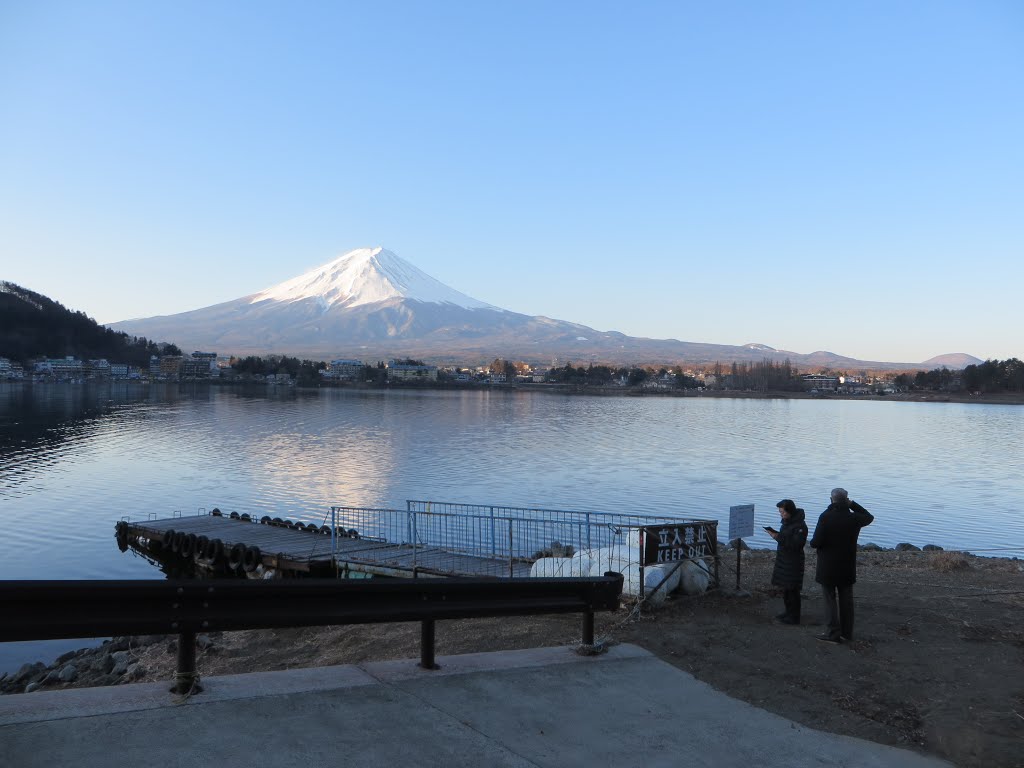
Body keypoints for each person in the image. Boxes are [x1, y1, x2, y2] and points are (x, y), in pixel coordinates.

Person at [809, 488, 874, 643]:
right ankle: (847, 633)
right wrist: (852, 504)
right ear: (846, 500)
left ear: (831, 499)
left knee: (829, 599)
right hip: (847, 565)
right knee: (846, 600)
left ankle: (833, 633)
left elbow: (816, 542)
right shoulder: (854, 518)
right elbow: (869, 517)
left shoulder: (825, 517)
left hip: (828, 566)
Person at [766, 499, 807, 624]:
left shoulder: (800, 526)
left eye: (782, 512)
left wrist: (777, 537)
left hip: (793, 561)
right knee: (786, 588)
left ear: (789, 511)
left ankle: (794, 617)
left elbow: (796, 545)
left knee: (793, 589)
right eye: (780, 512)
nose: (781, 514)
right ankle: (788, 612)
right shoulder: (786, 523)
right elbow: (786, 538)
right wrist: (777, 535)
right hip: (784, 559)